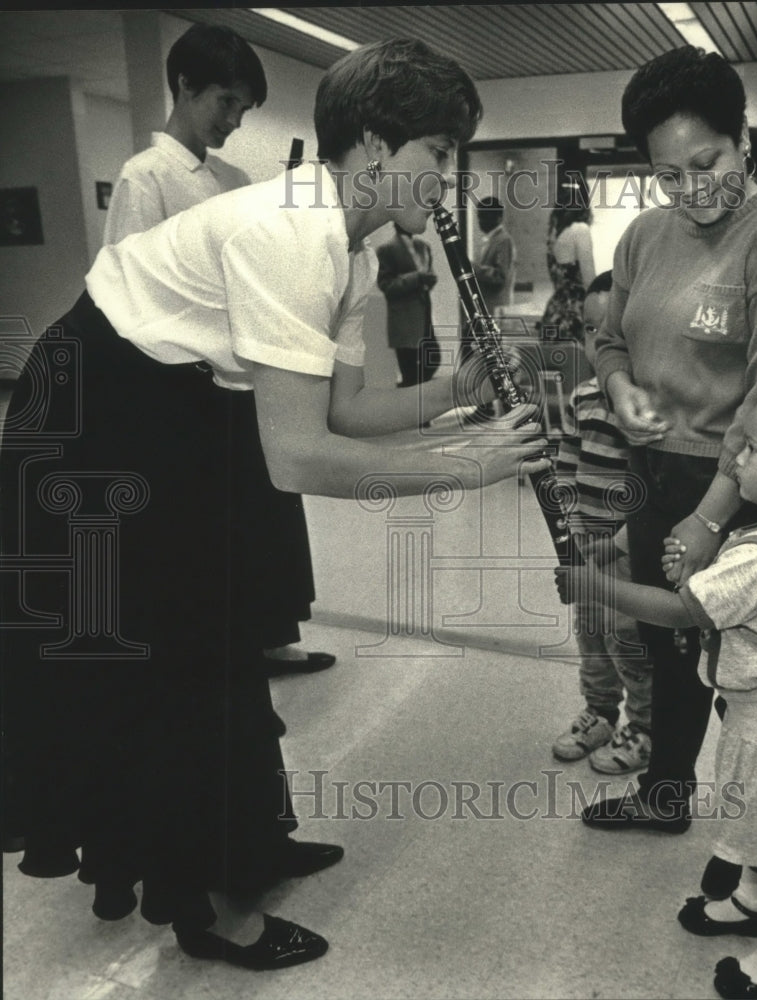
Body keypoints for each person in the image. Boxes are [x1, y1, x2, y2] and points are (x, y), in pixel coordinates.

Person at [0, 37, 547, 972]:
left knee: (227, 635)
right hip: (95, 420)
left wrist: (456, 396)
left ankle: (251, 842)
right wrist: (470, 468)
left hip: (170, 408)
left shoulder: (352, 252)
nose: (447, 181)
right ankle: (213, 910)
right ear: (373, 146)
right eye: (437, 155)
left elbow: (344, 413)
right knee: (171, 662)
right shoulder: (291, 232)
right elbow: (298, 458)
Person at [558, 367, 757, 1000]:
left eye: (751, 450)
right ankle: (752, 899)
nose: (733, 458)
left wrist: (592, 585)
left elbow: (685, 611)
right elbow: (716, 597)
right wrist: (698, 567)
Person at [587, 45, 757, 839]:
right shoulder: (645, 236)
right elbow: (610, 337)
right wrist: (621, 388)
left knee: (736, 664)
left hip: (734, 485)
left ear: (744, 136)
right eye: (670, 175)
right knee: (667, 645)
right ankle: (668, 795)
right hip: (652, 469)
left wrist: (708, 518)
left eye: (709, 162)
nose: (693, 190)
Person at [104, 21, 334, 683]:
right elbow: (131, 297)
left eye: (241, 107)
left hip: (241, 377)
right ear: (183, 87)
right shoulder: (146, 177)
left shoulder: (224, 176)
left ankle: (269, 639)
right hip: (186, 383)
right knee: (215, 524)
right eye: (223, 103)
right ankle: (226, 648)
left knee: (266, 514)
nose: (233, 119)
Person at [551, 272, 653, 773]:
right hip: (587, 546)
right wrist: (570, 533)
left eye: (608, 332)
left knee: (629, 640)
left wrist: (616, 545)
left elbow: (655, 494)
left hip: (628, 552)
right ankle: (599, 712)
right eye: (589, 331)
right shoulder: (583, 398)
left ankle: (644, 725)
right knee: (590, 634)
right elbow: (566, 469)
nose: (596, 344)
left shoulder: (648, 407)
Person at [377, 222, 439, 387]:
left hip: (424, 315)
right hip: (404, 321)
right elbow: (386, 285)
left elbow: (428, 274)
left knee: (432, 361)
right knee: (410, 370)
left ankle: (416, 400)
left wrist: (428, 280)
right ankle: (409, 403)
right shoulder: (387, 250)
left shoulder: (423, 246)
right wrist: (416, 278)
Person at [539, 171, 596, 341]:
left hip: (555, 312)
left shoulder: (555, 233)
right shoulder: (580, 230)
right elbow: (589, 281)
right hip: (574, 314)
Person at [473, 196, 516, 316]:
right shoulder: (490, 240)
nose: (481, 221)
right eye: (480, 217)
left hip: (496, 307)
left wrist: (473, 268)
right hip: (488, 306)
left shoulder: (503, 240)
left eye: (485, 217)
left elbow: (500, 277)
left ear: (498, 218)